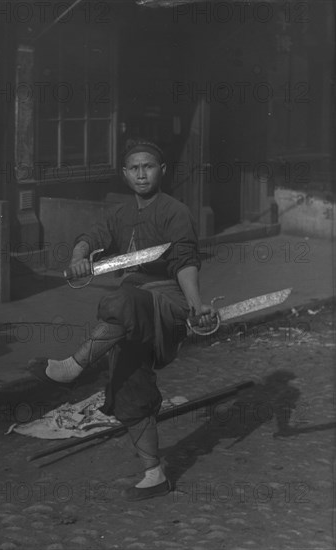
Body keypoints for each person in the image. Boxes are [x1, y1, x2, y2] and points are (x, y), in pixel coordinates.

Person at [28, 139, 217, 501]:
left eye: (148, 166)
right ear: (125, 174)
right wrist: (80, 254)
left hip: (166, 305)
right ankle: (155, 474)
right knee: (129, 386)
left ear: (161, 171)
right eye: (134, 168)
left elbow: (185, 261)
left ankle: (72, 367)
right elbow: (92, 236)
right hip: (127, 314)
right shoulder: (119, 213)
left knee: (124, 297)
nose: (141, 173)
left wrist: (195, 305)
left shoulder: (175, 211)